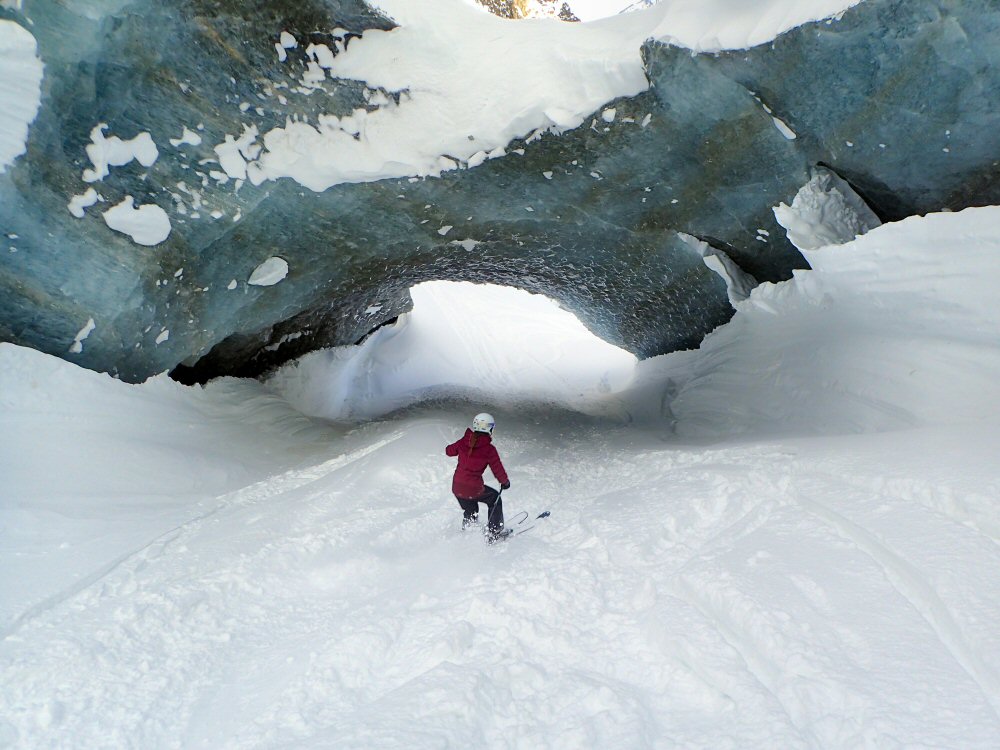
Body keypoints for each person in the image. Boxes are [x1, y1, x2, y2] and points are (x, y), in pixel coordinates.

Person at [445, 412, 510, 541]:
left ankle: (466, 536)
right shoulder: (489, 449)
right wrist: (504, 482)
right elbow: (497, 468)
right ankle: (494, 532)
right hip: (473, 488)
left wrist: (456, 447)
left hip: (457, 486)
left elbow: (449, 451)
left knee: (471, 510)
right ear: (490, 428)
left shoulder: (465, 441)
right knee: (494, 498)